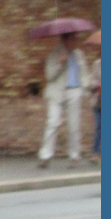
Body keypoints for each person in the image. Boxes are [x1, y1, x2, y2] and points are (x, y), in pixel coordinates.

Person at [38, 32, 90, 168]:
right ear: (65, 40)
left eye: (76, 39)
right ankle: (45, 156)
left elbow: (84, 73)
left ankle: (74, 157)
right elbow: (49, 76)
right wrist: (60, 64)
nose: (75, 42)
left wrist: (85, 87)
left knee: (74, 126)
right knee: (52, 123)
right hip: (57, 92)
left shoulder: (79, 54)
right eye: (73, 39)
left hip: (74, 91)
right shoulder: (54, 54)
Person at [90, 43, 100, 165]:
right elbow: (92, 80)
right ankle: (96, 152)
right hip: (99, 100)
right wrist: (94, 86)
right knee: (99, 126)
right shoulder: (97, 64)